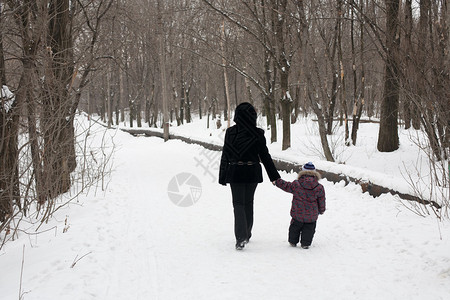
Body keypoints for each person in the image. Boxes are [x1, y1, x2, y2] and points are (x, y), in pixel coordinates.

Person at [219, 102, 280, 250]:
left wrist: (222, 175)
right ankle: (247, 233)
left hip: (236, 172)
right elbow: (265, 156)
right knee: (248, 203)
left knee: (238, 204)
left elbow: (226, 154)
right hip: (252, 172)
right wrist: (274, 176)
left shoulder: (231, 132)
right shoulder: (258, 133)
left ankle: (241, 238)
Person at [273, 162, 326, 249]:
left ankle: (292, 241)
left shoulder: (296, 184)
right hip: (311, 215)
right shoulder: (319, 187)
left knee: (295, 228)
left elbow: (286, 186)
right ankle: (305, 243)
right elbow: (321, 200)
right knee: (309, 229)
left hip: (297, 213)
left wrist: (277, 182)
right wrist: (321, 210)